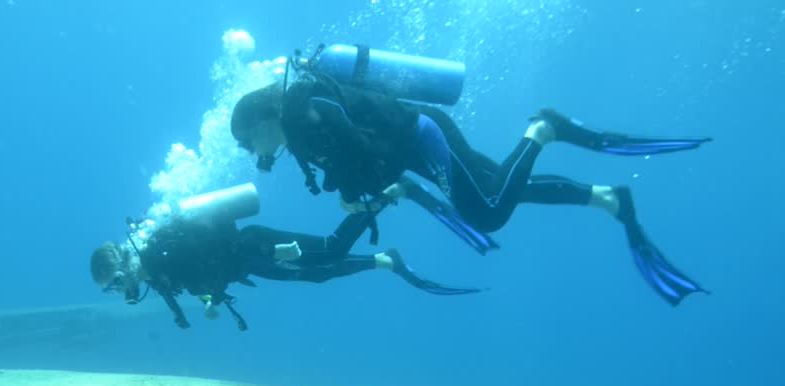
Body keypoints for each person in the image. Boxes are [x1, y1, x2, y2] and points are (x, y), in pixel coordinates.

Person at [230, 49, 713, 306]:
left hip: (421, 137)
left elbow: (353, 146)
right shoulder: (297, 128)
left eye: (248, 142)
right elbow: (351, 156)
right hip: (410, 145)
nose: (254, 154)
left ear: (258, 122)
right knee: (496, 185)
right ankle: (607, 199)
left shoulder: (303, 110)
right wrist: (355, 191)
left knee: (486, 213)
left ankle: (542, 130)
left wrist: (356, 195)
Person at [90, 196, 478, 331]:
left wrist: (273, 253)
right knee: (319, 275)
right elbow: (203, 276)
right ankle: (385, 261)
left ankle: (384, 194)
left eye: (113, 284)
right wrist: (210, 298)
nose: (119, 293)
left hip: (258, 247)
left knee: (330, 248)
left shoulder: (158, 252)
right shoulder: (156, 270)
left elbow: (211, 254)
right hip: (254, 262)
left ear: (121, 269)